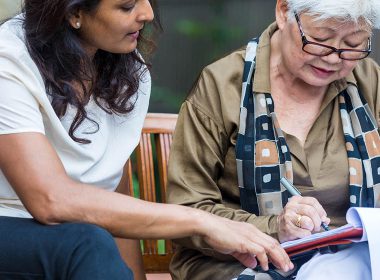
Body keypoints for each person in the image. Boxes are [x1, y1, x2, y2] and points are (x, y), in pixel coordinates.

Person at [0, 0, 294, 279]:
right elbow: (50, 200)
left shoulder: (126, 70)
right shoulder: (9, 58)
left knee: (89, 240)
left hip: (79, 240)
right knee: (86, 242)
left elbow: (112, 187)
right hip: (13, 227)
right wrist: (203, 221)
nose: (148, 13)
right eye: (127, 6)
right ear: (73, 13)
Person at [167, 0, 380, 279]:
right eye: (320, 39)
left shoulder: (367, 79)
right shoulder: (222, 85)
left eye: (353, 44)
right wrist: (275, 227)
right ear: (283, 12)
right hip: (241, 264)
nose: (333, 58)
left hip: (353, 259)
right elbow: (187, 209)